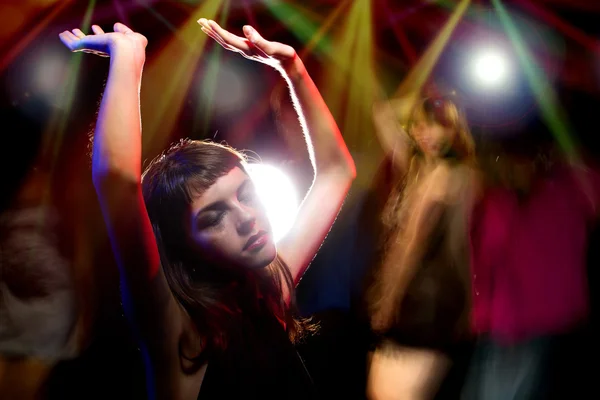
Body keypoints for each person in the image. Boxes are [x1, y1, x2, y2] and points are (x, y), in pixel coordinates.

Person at [58, 19, 355, 399]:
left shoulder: (269, 288)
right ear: (185, 245)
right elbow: (117, 178)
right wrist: (129, 58)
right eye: (214, 218)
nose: (247, 219)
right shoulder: (177, 327)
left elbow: (336, 171)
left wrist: (291, 67)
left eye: (246, 194)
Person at [366, 94, 477, 399]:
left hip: (424, 309)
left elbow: (414, 249)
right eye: (419, 126)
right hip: (408, 306)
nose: (426, 133)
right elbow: (383, 113)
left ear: (454, 131)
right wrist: (425, 98)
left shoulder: (454, 178)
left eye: (437, 126)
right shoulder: (416, 169)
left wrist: (387, 304)